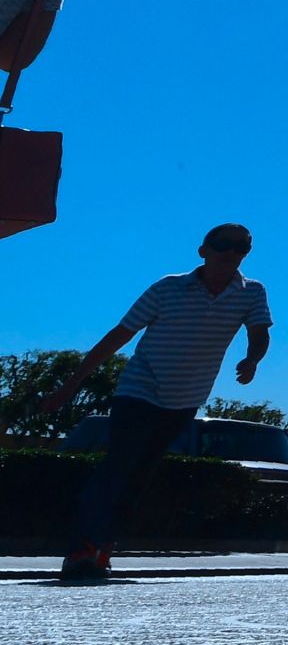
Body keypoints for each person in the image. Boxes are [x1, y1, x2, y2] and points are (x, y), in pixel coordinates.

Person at [37, 224, 273, 583]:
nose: (231, 251)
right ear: (203, 250)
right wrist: (72, 384)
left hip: (184, 399)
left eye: (240, 246)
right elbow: (120, 334)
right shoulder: (168, 288)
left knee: (138, 475)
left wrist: (252, 359)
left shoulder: (251, 293)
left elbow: (260, 334)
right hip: (139, 389)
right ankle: (81, 549)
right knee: (118, 466)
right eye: (222, 243)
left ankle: (102, 549)